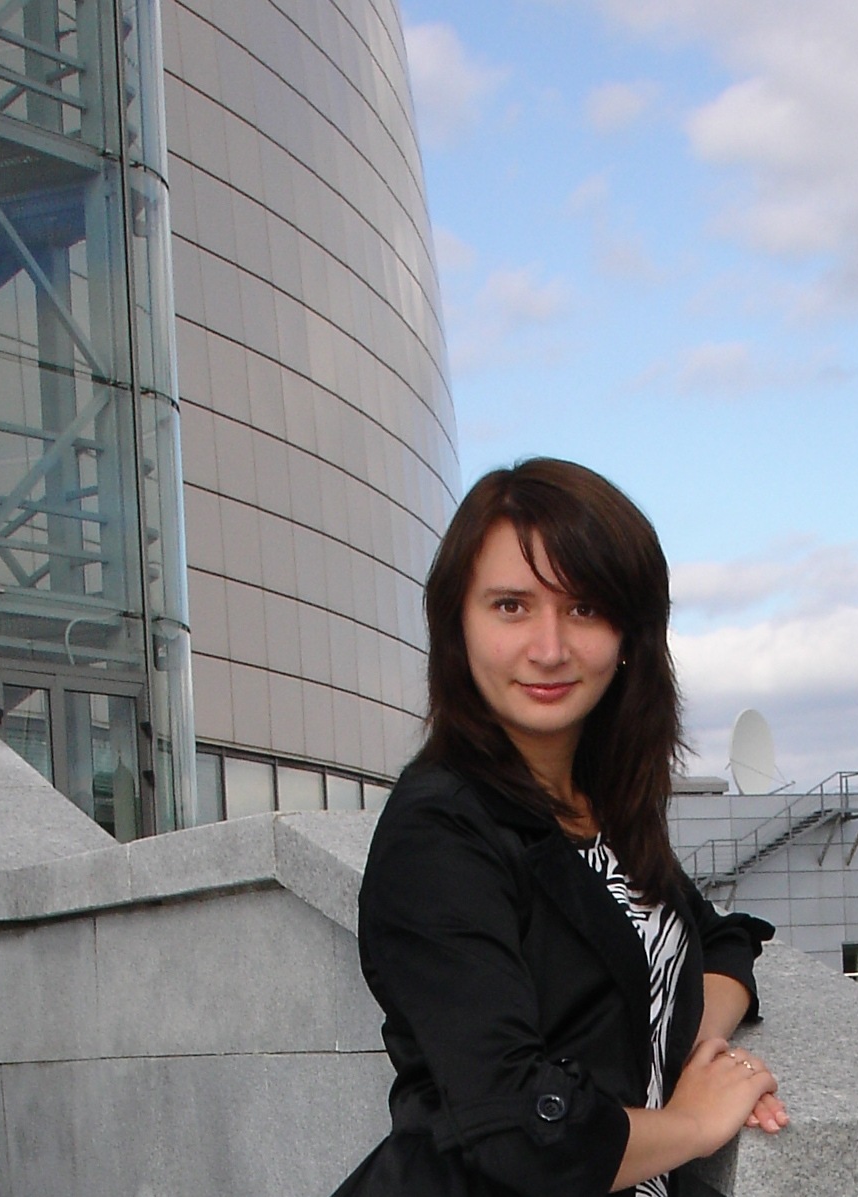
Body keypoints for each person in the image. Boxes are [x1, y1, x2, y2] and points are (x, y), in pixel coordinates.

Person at [334, 458, 786, 1197]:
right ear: (458, 625)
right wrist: (693, 1122)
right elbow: (518, 1128)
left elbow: (722, 942)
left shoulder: (597, 804)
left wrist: (690, 1050)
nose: (549, 648)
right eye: (511, 606)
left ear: (631, 634)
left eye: (584, 608)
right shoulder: (440, 831)